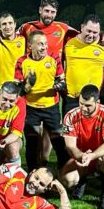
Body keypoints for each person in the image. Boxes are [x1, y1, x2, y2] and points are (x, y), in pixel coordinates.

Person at [14, 30, 68, 171]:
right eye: (40, 44)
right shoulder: (22, 61)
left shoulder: (54, 58)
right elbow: (17, 90)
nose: (44, 47)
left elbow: (62, 81)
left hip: (51, 107)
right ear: (30, 46)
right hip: (30, 108)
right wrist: (27, 86)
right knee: (32, 144)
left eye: (45, 44)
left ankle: (65, 171)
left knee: (58, 142)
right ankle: (33, 172)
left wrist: (58, 86)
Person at [60, 84, 104, 209]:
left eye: (88, 106)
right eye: (81, 103)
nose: (83, 108)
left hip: (100, 156)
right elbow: (70, 146)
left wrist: (92, 156)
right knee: (67, 180)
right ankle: (82, 180)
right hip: (81, 156)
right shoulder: (70, 115)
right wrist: (82, 156)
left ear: (97, 102)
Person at [63, 14, 104, 114]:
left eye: (95, 32)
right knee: (69, 129)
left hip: (94, 101)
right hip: (72, 99)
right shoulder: (68, 43)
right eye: (89, 31)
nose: (91, 35)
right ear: (82, 27)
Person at [0, 12, 26, 93]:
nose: (8, 27)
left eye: (10, 23)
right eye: (4, 24)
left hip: (17, 85)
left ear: (15, 24)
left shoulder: (23, 40)